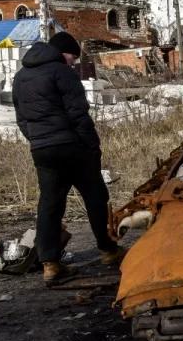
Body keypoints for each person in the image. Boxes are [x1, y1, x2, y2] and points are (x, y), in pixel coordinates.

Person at [12, 31, 123, 285]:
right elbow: (78, 114)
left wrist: (38, 140)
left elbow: (21, 119)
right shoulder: (62, 72)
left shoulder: (20, 77)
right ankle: (108, 250)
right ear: (62, 52)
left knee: (50, 204)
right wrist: (92, 146)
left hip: (42, 149)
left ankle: (50, 264)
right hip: (72, 146)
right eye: (72, 57)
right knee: (95, 195)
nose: (73, 62)